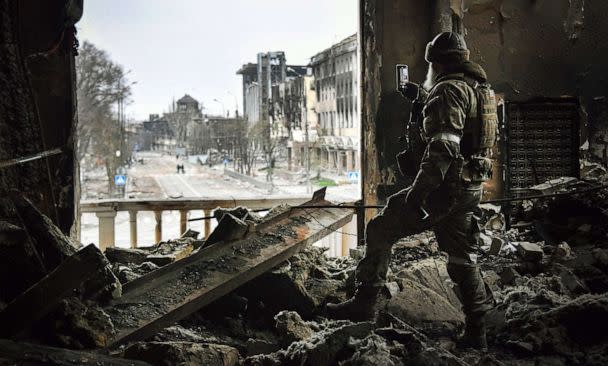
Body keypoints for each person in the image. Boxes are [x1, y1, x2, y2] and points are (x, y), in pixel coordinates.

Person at [326, 32, 496, 350]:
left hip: (442, 191)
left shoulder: (447, 91)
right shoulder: (476, 87)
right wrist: (421, 99)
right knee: (462, 257)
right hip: (468, 186)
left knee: (379, 230)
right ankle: (478, 332)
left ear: (438, 62)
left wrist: (417, 196)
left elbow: (443, 148)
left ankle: (364, 304)